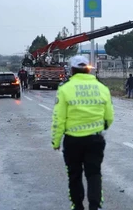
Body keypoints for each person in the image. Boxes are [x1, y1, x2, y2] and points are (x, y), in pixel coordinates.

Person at [51, 55, 114, 210]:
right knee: (94, 174)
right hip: (95, 140)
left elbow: (59, 118)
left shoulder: (65, 89)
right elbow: (109, 117)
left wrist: (56, 141)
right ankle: (95, 206)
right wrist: (100, 128)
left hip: (73, 141)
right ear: (88, 69)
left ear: (72, 70)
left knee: (74, 175)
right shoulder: (102, 88)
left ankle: (78, 206)